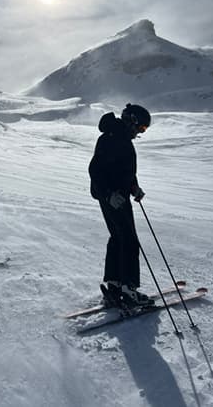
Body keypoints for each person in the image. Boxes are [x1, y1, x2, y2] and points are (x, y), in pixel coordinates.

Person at [88, 103, 153, 308]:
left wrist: (134, 187)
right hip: (113, 198)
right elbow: (95, 171)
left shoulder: (119, 137)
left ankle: (115, 285)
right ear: (132, 122)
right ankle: (129, 290)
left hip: (118, 196)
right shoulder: (111, 138)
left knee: (118, 237)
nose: (140, 132)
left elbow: (123, 170)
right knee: (129, 241)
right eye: (141, 128)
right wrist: (109, 195)